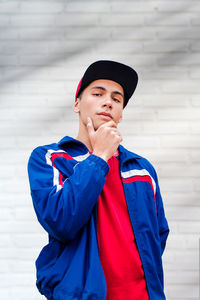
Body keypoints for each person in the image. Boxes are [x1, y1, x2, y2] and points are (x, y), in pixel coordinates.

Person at [28, 60, 169, 300]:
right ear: (77, 104)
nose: (108, 102)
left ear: (121, 112)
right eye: (97, 93)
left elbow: (158, 235)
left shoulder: (142, 169)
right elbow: (60, 220)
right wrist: (100, 156)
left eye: (117, 98)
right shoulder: (50, 158)